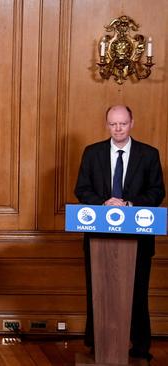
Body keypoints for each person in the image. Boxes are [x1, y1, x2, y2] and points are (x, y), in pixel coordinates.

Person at [74, 105, 165, 361]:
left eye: (123, 124)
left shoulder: (149, 154)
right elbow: (82, 189)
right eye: (113, 124)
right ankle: (96, 342)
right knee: (98, 291)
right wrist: (105, 203)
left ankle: (139, 346)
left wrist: (128, 205)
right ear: (107, 124)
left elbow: (157, 192)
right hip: (98, 238)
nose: (118, 129)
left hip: (139, 238)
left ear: (132, 123)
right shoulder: (92, 153)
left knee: (138, 292)